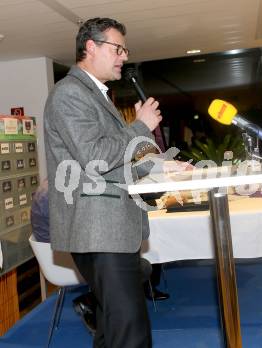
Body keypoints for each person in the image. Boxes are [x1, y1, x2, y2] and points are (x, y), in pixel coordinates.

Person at [44, 17, 164, 347]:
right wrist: (140, 126)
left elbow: (110, 166)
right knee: (131, 332)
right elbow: (94, 156)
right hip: (99, 229)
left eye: (124, 50)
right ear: (91, 47)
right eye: (117, 48)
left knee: (114, 328)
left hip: (109, 229)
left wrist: (159, 168)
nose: (123, 56)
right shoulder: (69, 94)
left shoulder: (95, 94)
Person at [30, 179, 155, 336]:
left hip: (61, 253)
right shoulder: (63, 190)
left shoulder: (57, 180)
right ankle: (93, 302)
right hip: (65, 258)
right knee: (140, 267)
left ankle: (100, 302)